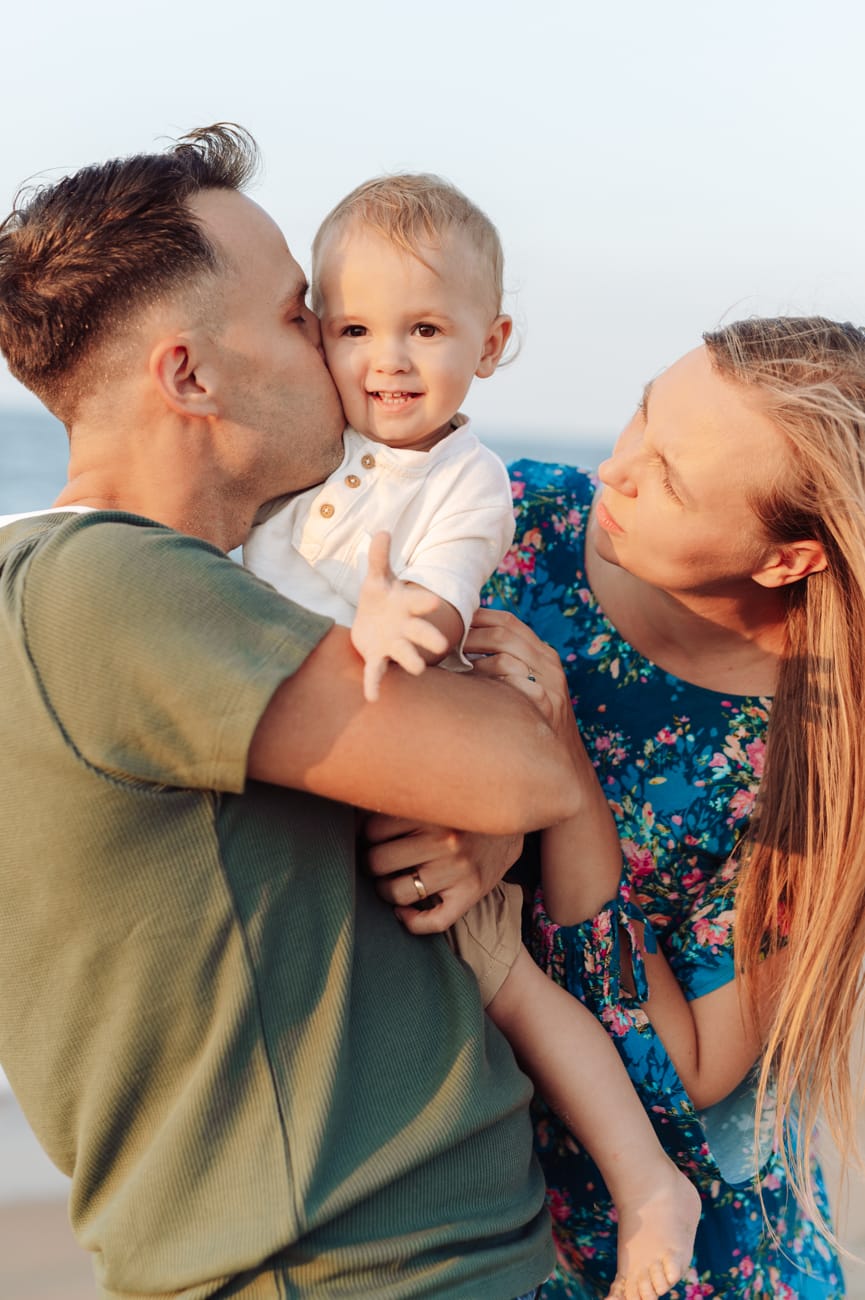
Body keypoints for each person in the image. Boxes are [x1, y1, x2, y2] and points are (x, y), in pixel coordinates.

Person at [0, 123, 587, 1300]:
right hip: (365, 1274)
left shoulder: (164, 592)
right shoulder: (108, 583)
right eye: (297, 317)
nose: (337, 351)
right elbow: (518, 773)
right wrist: (508, 757)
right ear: (189, 376)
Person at [244, 173, 701, 1300]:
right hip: (314, 773)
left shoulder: (467, 476)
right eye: (352, 329)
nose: (384, 360)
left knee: (510, 988)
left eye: (425, 329)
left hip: (416, 778)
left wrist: (401, 615)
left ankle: (648, 1183)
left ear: (489, 344)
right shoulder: (307, 446)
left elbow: (444, 592)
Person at [447, 318, 861, 1297]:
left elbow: (693, 1068)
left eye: (669, 478)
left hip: (688, 1243)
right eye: (639, 414)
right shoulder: (507, 522)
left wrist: (566, 783)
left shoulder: (817, 757)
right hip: (451, 1184)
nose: (615, 470)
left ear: (786, 560)